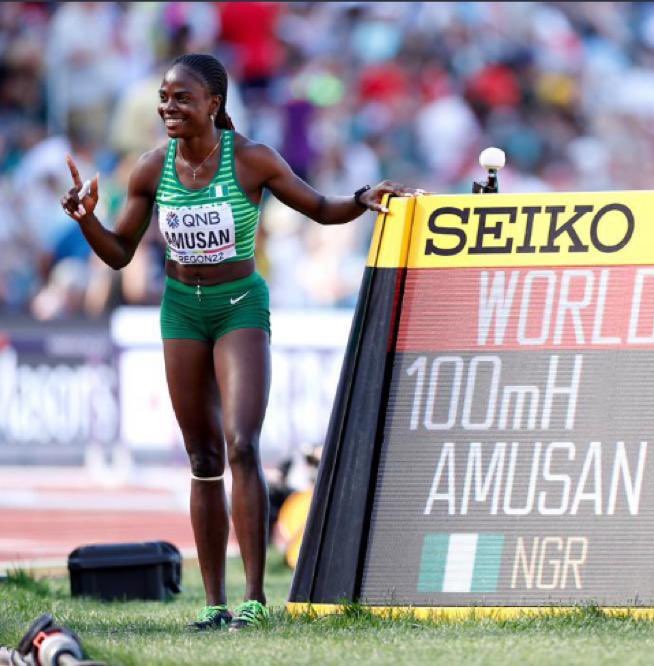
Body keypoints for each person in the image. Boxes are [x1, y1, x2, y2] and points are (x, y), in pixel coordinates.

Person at [60, 53, 421, 631]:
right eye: (164, 96)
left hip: (239, 308)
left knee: (241, 443)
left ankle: (253, 599)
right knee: (203, 458)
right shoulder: (151, 169)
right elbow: (120, 252)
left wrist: (361, 199)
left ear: (214, 104)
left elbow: (319, 208)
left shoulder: (252, 159)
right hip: (181, 311)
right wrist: (86, 220)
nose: (168, 107)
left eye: (181, 98)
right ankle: (213, 603)